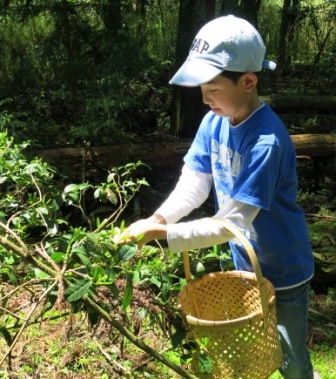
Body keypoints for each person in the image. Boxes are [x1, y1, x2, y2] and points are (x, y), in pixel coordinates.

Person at [119, 15, 320, 379]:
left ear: (247, 81)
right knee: (255, 350)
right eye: (201, 89)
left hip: (285, 268)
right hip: (247, 264)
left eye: (213, 88)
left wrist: (166, 238)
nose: (205, 98)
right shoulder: (214, 121)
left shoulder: (266, 142)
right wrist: (158, 220)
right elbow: (195, 184)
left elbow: (234, 222)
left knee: (291, 361)